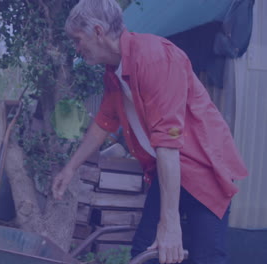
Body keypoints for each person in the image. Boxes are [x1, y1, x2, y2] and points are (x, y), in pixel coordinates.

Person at [51, 1, 249, 264]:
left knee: (206, 257)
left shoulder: (154, 57)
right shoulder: (114, 72)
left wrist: (170, 225)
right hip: (169, 171)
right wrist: (70, 169)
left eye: (78, 40)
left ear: (98, 31)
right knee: (145, 253)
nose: (77, 49)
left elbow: (168, 142)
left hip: (204, 171)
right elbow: (103, 123)